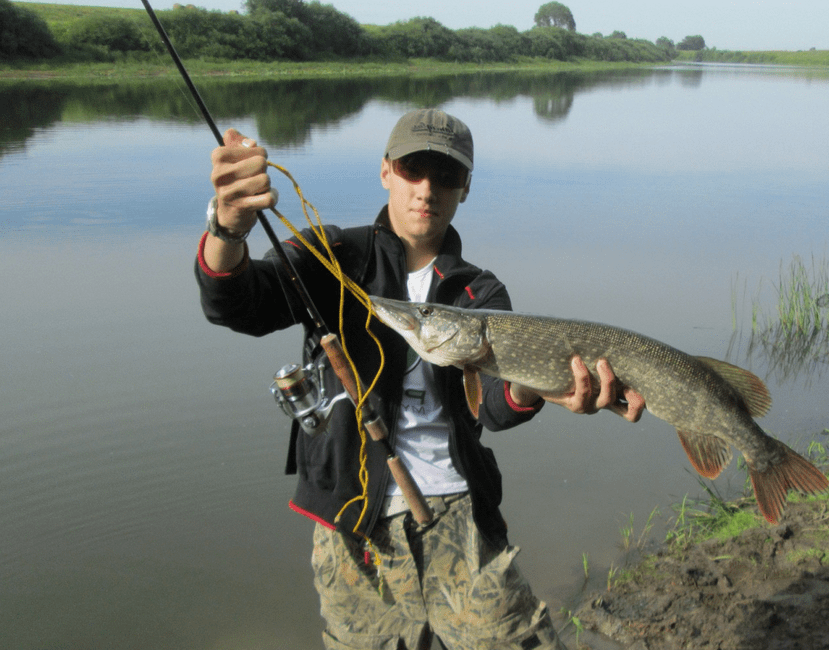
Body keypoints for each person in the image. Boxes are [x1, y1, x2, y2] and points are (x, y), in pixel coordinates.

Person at [195, 108, 644, 650]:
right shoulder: (331, 255)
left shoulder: (479, 293)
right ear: (386, 171)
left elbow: (496, 409)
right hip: (353, 516)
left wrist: (541, 385)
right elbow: (238, 303)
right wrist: (227, 227)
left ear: (466, 188)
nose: (426, 189)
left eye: (446, 176)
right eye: (412, 169)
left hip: (460, 510)